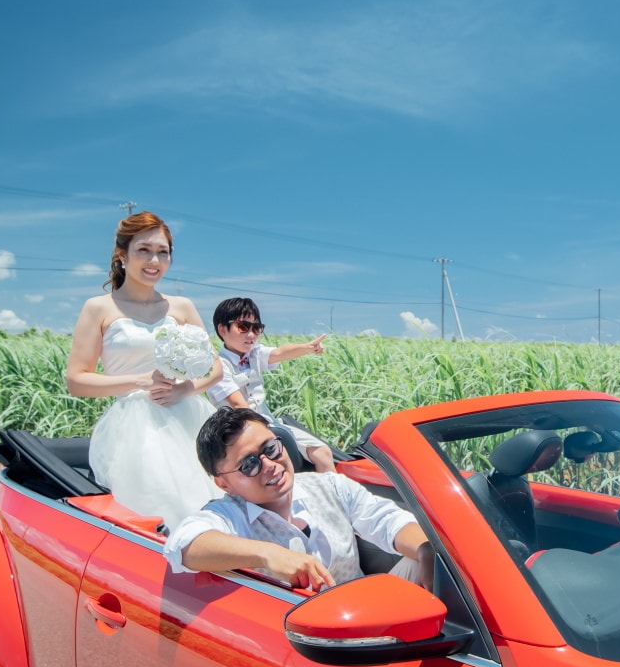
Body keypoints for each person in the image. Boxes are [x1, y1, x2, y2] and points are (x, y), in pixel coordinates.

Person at [66, 211, 223, 526]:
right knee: (168, 505)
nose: (155, 260)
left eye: (163, 252)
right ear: (122, 255)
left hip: (190, 415)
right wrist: (139, 381)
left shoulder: (181, 306)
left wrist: (184, 389)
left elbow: (215, 368)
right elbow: (76, 380)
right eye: (144, 250)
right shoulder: (99, 308)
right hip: (137, 426)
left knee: (218, 497)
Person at [165, 407, 430, 591]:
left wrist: (425, 550)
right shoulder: (230, 514)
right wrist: (268, 554)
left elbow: (387, 520)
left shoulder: (330, 485)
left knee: (434, 561)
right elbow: (184, 545)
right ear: (224, 483)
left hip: (367, 611)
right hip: (299, 644)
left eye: (271, 448)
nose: (270, 464)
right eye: (249, 464)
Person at [206, 296, 336, 472]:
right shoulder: (217, 366)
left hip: (269, 423)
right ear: (222, 329)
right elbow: (238, 405)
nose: (251, 334)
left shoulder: (255, 353)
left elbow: (280, 352)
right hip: (239, 432)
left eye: (257, 328)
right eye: (243, 327)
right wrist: (266, 434)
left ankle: (333, 497)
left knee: (322, 452)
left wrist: (307, 348)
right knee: (283, 460)